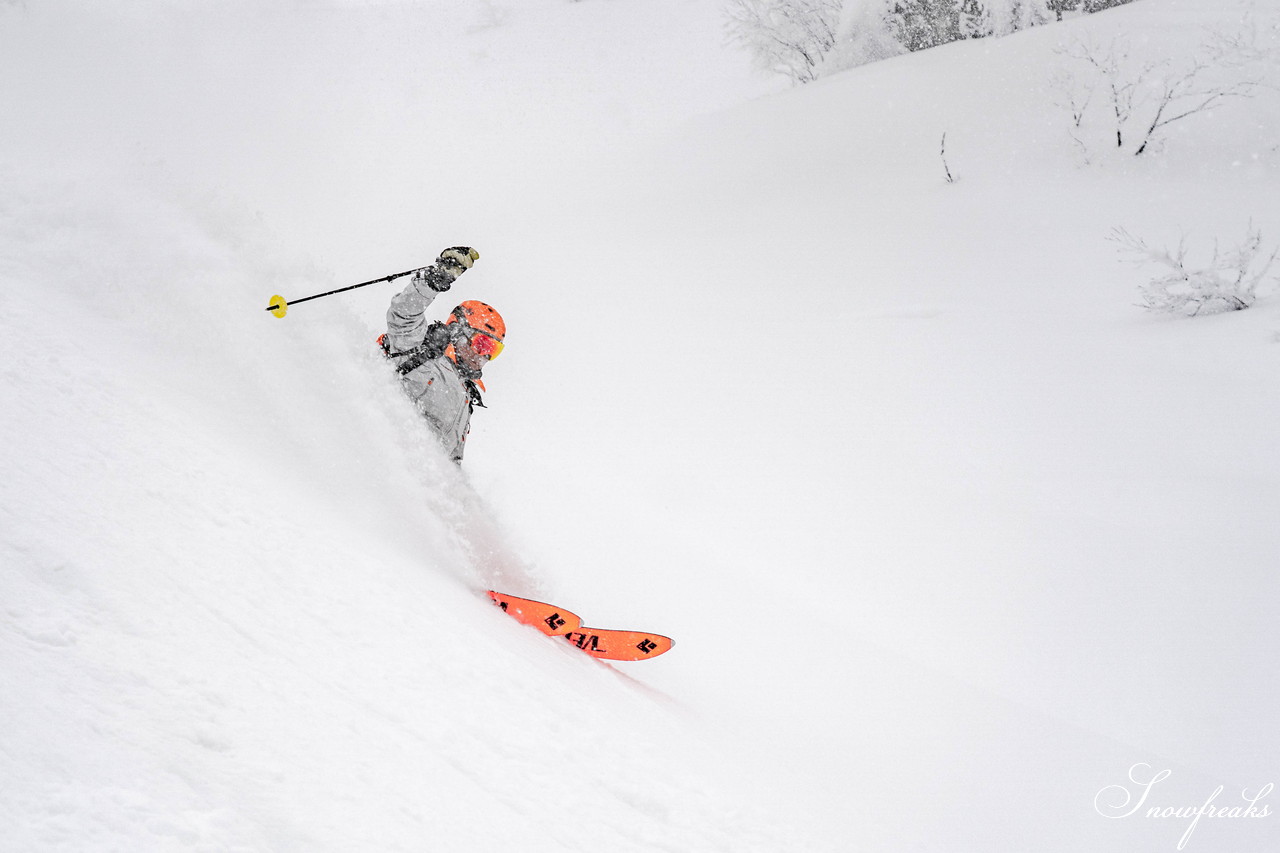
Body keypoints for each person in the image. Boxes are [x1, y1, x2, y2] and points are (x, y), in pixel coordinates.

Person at [381, 247, 505, 464]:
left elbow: (451, 460)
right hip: (386, 456)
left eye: (493, 351)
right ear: (457, 331)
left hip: (413, 480)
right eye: (482, 344)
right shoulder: (421, 355)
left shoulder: (466, 396)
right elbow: (403, 315)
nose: (484, 357)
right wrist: (435, 280)